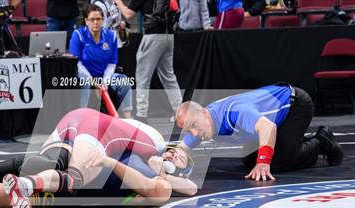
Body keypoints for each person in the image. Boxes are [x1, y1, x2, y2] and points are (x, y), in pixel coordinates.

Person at [0, 109, 196, 208]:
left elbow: (187, 188)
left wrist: (109, 162)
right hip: (86, 140)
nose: (174, 157)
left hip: (65, 187)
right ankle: (25, 184)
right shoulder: (152, 146)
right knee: (71, 175)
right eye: (175, 153)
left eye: (179, 161)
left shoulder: (160, 182)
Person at [175, 84, 344, 181]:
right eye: (189, 129)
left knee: (276, 163)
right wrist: (172, 160)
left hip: (294, 106)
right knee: (250, 161)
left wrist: (264, 161)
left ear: (204, 112)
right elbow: (182, 149)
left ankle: (321, 140)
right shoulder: (200, 122)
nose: (194, 134)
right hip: (268, 116)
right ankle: (293, 143)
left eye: (193, 126)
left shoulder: (233, 112)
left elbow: (267, 127)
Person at [114, 0, 183, 123]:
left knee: (142, 77)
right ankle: (181, 113)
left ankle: (142, 115)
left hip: (152, 37)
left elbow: (128, 15)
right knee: (169, 77)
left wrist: (118, 2)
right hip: (169, 36)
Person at [69, 5, 133, 118]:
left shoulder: (111, 36)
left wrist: (104, 82)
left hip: (103, 77)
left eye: (98, 19)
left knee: (123, 80)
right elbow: (78, 64)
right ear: (86, 21)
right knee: (84, 81)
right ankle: (81, 119)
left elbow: (112, 63)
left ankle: (128, 120)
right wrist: (94, 83)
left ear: (103, 20)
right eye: (92, 19)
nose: (95, 22)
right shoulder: (78, 35)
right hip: (84, 76)